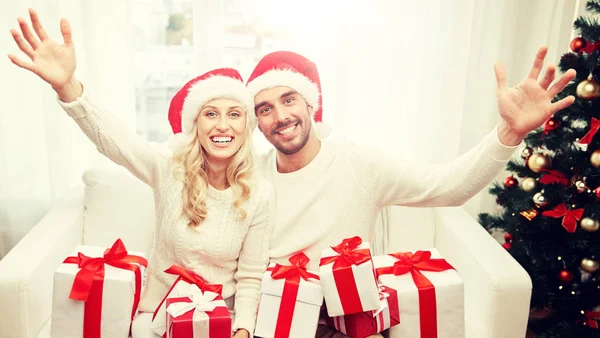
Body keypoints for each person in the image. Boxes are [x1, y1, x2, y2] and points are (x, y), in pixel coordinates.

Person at [245, 50, 576, 337]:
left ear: (309, 103)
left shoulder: (357, 164)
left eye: (289, 100)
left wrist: (509, 131)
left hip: (345, 317)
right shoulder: (251, 176)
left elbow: (448, 186)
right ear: (257, 122)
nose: (281, 117)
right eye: (265, 108)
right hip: (272, 315)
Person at [8, 9, 275, 338]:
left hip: (221, 319)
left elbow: (250, 276)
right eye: (211, 114)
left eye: (234, 114)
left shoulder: (259, 193)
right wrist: (69, 88)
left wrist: (243, 330)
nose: (222, 125)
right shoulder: (169, 169)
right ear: (195, 125)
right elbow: (114, 139)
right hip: (158, 316)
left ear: (246, 126)